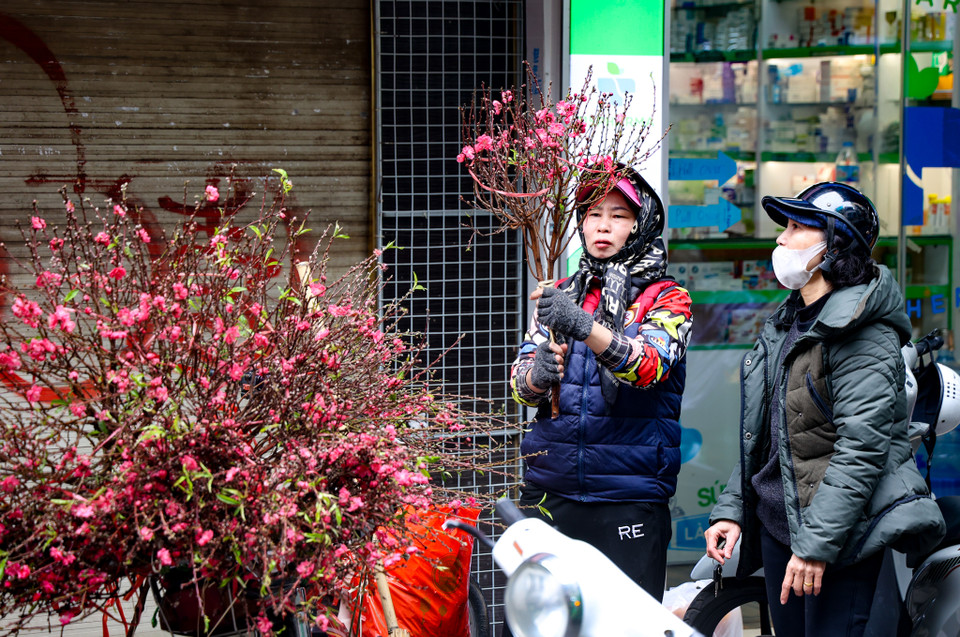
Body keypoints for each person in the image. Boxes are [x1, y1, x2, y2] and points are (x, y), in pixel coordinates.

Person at [704, 182, 946, 637]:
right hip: (781, 526)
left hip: (837, 540)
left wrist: (815, 546)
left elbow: (861, 450)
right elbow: (767, 433)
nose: (781, 238)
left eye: (797, 227)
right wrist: (732, 509)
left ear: (835, 245)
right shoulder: (789, 322)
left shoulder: (865, 333)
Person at [508, 163, 693, 605]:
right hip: (550, 491)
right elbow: (519, 386)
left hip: (628, 499)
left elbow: (648, 367)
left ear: (641, 224)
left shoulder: (669, 298)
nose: (603, 226)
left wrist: (583, 326)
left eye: (618, 215)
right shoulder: (562, 292)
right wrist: (538, 375)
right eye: (593, 214)